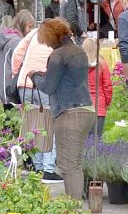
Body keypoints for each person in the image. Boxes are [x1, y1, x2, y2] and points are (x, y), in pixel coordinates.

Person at [31, 19, 96, 200]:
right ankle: (74, 206)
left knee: (68, 166)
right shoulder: (79, 50)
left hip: (69, 113)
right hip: (86, 110)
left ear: (51, 37)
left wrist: (35, 76)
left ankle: (72, 210)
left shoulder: (58, 55)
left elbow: (48, 87)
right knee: (75, 163)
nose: (45, 43)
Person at [13, 13, 61, 183]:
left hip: (24, 84)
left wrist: (16, 73)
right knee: (49, 126)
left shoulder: (32, 34)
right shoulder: (58, 37)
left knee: (33, 127)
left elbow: (17, 54)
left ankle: (38, 166)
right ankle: (48, 169)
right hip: (45, 84)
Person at [0, 10, 34, 109]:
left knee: (8, 117)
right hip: (12, 85)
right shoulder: (17, 41)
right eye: (29, 27)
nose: (30, 30)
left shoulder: (7, 36)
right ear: (22, 24)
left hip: (5, 83)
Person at [83, 38, 113, 139]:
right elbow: (107, 86)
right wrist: (107, 102)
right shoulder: (102, 64)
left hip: (82, 105)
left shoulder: (78, 64)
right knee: (96, 139)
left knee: (82, 139)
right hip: (98, 104)